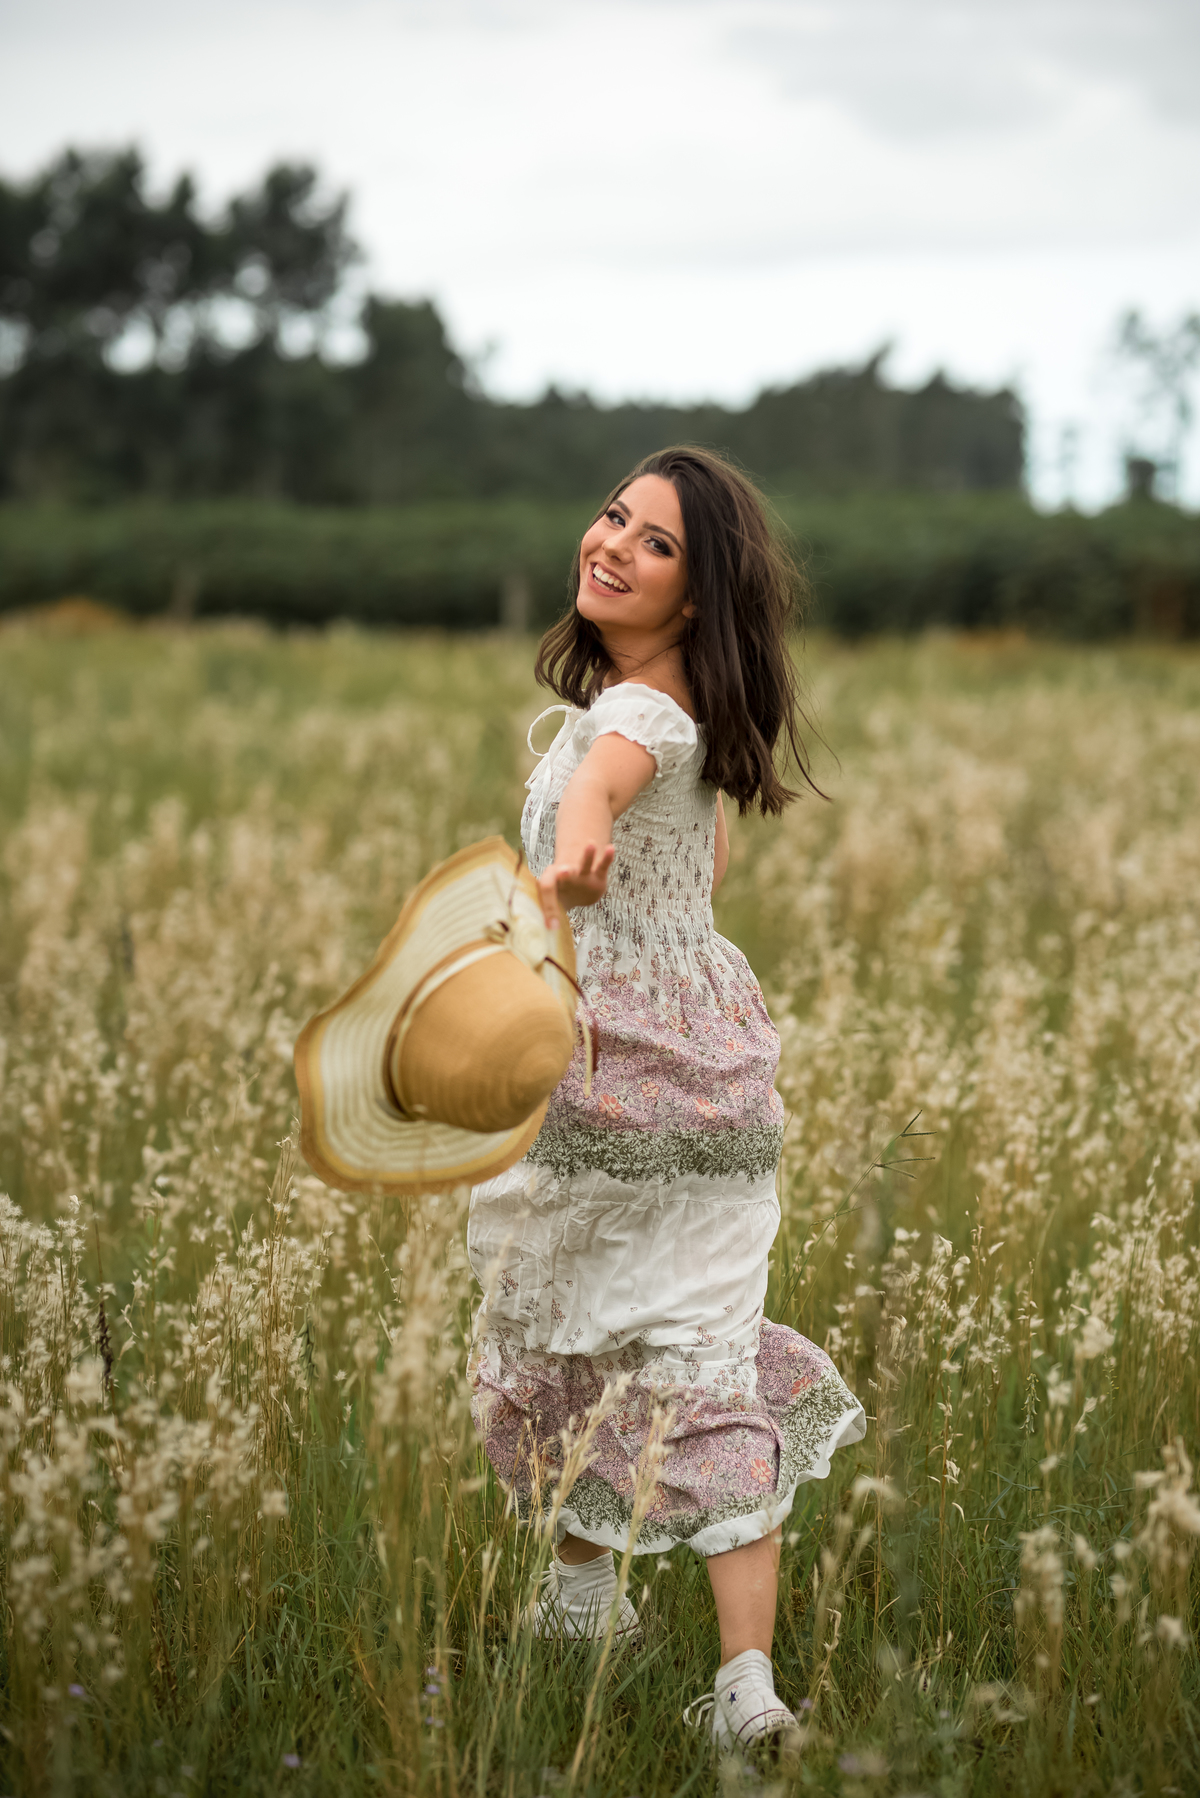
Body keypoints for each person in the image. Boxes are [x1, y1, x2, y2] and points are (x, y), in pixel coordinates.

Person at [467, 445, 865, 1751]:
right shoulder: (684, 709)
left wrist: (582, 838)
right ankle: (722, 1675)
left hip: (606, 1072)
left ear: (695, 597)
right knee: (690, 1344)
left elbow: (603, 787)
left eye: (655, 543)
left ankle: (606, 1608)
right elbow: (698, 860)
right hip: (706, 1078)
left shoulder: (636, 716)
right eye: (613, 517)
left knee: (578, 1328)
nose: (612, 545)